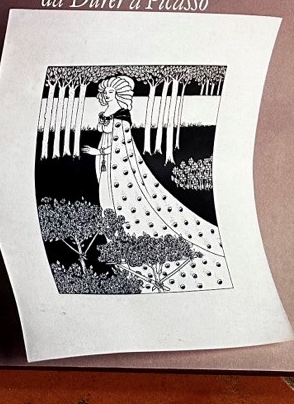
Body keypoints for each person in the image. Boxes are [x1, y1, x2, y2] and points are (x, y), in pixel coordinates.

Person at [88, 75, 231, 292]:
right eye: (105, 92)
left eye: (110, 92)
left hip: (117, 165)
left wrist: (97, 152)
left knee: (118, 203)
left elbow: (118, 145)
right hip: (107, 162)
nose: (106, 95)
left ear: (118, 94)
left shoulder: (122, 116)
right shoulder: (110, 112)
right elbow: (105, 131)